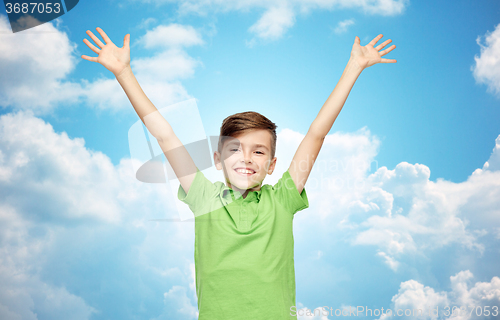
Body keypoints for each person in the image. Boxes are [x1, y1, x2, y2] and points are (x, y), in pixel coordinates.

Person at [82, 27, 396, 320]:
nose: (246, 158)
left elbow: (316, 134)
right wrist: (124, 74)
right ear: (218, 159)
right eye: (235, 149)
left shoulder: (283, 199)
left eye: (258, 151)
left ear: (272, 165)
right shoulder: (203, 195)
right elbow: (165, 136)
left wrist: (353, 68)